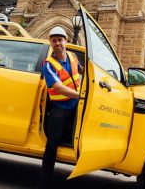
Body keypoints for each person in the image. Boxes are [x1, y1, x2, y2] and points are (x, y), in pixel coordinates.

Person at [40, 26, 83, 189]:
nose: (57, 43)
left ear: (66, 41)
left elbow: (80, 71)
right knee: (52, 145)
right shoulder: (48, 64)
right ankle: (45, 181)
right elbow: (58, 87)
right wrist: (80, 95)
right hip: (59, 109)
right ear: (51, 43)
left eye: (60, 39)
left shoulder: (72, 57)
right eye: (54, 40)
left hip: (75, 106)